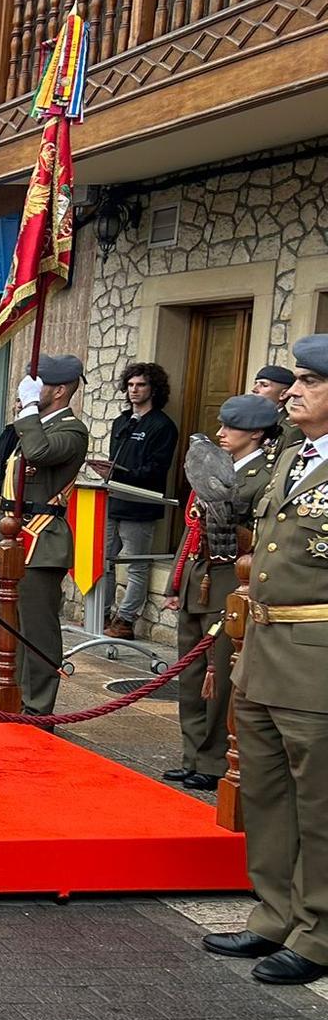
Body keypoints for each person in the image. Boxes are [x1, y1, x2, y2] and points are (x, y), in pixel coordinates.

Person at [204, 334, 328, 985]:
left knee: (320, 802)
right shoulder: (293, 457)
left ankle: (319, 929)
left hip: (316, 659)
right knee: (269, 790)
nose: (294, 389)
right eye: (298, 379)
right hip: (264, 647)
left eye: (311, 380)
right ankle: (276, 913)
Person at [161, 393, 280, 790]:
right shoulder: (213, 463)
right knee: (190, 675)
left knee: (219, 676)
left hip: (230, 580)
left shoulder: (267, 475)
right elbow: (193, 525)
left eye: (232, 427)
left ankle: (213, 761)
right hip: (199, 576)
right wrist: (174, 582)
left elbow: (263, 535)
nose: (221, 433)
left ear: (257, 432)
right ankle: (191, 754)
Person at [2, 355, 92, 716]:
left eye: (36, 385)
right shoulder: (37, 424)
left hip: (42, 539)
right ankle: (20, 699)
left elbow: (39, 451)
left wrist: (27, 409)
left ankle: (39, 707)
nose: (27, 391)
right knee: (16, 625)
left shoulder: (71, 430)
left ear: (57, 390)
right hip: (16, 536)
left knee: (38, 632)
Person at [102, 361, 179, 639]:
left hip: (141, 504)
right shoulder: (121, 422)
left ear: (153, 388)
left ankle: (126, 620)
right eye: (131, 385)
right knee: (104, 561)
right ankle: (103, 613)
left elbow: (157, 468)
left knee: (136, 565)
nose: (134, 390)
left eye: (141, 385)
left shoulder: (162, 425)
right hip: (113, 501)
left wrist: (125, 474)